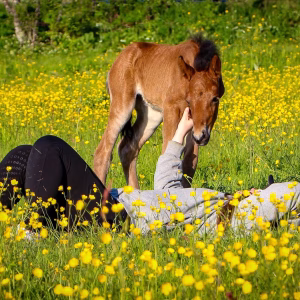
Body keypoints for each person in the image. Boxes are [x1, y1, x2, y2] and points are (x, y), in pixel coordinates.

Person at [0, 108, 299, 235]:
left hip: (122, 216)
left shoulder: (241, 213)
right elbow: (167, 188)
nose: (260, 189)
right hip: (114, 204)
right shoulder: (216, 204)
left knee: (48, 146)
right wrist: (179, 136)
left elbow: (290, 196)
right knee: (25, 154)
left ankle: (32, 229)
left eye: (264, 190)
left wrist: (273, 195)